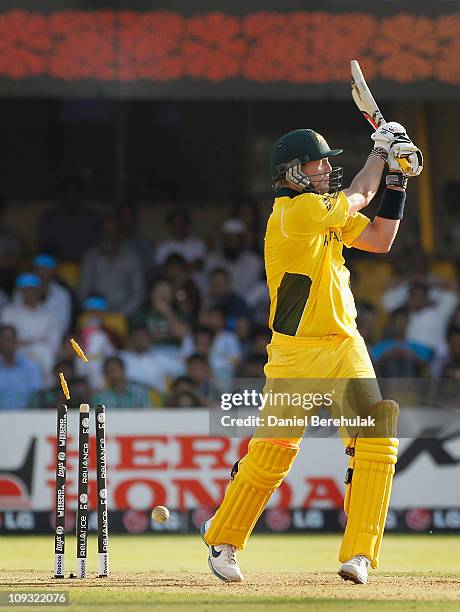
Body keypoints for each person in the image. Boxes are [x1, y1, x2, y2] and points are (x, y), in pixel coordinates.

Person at [200, 124, 423, 584]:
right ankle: (223, 539)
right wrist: (380, 155)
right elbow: (360, 194)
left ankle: (360, 554)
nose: (326, 168)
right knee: (273, 454)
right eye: (318, 162)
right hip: (296, 354)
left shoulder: (323, 213)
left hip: (345, 346)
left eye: (326, 161)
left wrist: (398, 183)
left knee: (377, 438)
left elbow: (381, 240)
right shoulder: (295, 212)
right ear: (292, 172)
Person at [79, 216, 145, 316]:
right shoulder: (90, 257)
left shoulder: (132, 258)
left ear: (119, 234)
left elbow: (138, 294)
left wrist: (119, 314)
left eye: (112, 230)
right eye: (106, 230)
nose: (109, 234)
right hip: (95, 311)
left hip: (126, 314)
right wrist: (94, 310)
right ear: (100, 233)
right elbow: (83, 291)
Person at [2, 273, 60, 382]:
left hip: (43, 360)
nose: (29, 293)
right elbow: (5, 340)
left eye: (32, 289)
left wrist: (26, 343)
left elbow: (53, 345)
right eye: (25, 289)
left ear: (39, 290)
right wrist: (36, 341)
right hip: (14, 358)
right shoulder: (9, 312)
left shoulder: (50, 316)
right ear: (19, 291)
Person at [0, 325, 43, 410]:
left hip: (26, 416)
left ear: (16, 342)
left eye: (10, 339)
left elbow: (37, 396)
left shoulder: (31, 367)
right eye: (4, 340)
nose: (8, 344)